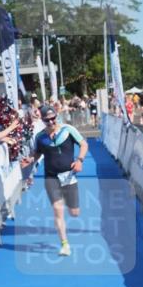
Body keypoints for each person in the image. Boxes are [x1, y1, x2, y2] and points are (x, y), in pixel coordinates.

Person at [21, 105, 89, 257]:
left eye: (53, 119)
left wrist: (80, 160)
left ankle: (70, 203)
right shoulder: (40, 137)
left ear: (56, 116)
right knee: (58, 211)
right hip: (51, 177)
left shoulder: (68, 129)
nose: (51, 122)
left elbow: (84, 144)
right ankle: (65, 244)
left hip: (69, 176)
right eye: (47, 120)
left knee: (74, 213)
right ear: (43, 120)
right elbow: (37, 153)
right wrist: (31, 159)